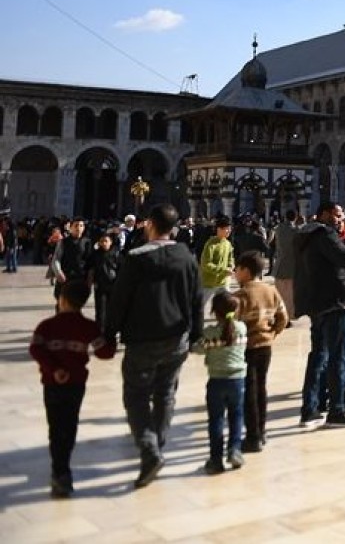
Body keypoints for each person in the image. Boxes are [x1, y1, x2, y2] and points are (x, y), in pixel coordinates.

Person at [103, 203, 202, 488]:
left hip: (143, 338)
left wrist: (109, 333)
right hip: (177, 339)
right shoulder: (186, 256)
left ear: (149, 225)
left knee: (135, 395)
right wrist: (195, 334)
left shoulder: (136, 259)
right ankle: (156, 447)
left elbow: (119, 300)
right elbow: (196, 300)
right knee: (166, 393)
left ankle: (150, 451)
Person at [28, 278, 116, 498]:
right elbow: (105, 353)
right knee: (69, 424)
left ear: (62, 300)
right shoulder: (88, 327)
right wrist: (110, 335)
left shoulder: (46, 326)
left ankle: (60, 471)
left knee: (55, 426)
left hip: (52, 385)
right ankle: (63, 468)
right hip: (76, 385)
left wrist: (53, 368)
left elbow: (35, 349)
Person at [295, 202, 345, 428]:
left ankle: (312, 406)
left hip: (319, 303)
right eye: (337, 215)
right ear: (325, 214)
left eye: (342, 215)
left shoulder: (307, 235)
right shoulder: (324, 235)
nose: (341, 219)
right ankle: (336, 409)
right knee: (339, 356)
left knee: (319, 354)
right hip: (335, 303)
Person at [231, 251, 287, 452]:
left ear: (245, 271)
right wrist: (272, 334)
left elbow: (232, 324)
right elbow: (283, 317)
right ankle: (261, 431)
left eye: (237, 269)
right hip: (265, 346)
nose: (235, 273)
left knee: (249, 391)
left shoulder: (241, 295)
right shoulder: (270, 290)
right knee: (261, 388)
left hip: (247, 348)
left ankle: (253, 436)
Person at [199, 289, 248, 474]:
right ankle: (235, 450)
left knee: (216, 419)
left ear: (214, 311)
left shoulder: (210, 333)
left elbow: (198, 348)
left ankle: (216, 459)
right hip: (237, 380)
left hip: (216, 380)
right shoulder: (241, 328)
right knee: (236, 416)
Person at [84, 230, 121, 332]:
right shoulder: (95, 254)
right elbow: (90, 270)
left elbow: (121, 270)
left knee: (112, 310)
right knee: (100, 310)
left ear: (111, 242)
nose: (104, 243)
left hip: (113, 286)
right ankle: (99, 331)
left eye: (106, 241)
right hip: (100, 286)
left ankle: (111, 330)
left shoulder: (117, 253)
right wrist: (89, 284)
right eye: (102, 241)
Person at [270, 209, 301, 319]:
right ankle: (289, 315)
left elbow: (271, 242)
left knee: (279, 293)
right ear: (295, 218)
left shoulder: (278, 229)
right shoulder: (297, 230)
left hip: (280, 264)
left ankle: (279, 314)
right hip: (293, 266)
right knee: (290, 295)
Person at [199, 216, 234, 307]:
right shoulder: (211, 244)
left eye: (230, 229)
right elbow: (206, 264)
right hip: (209, 282)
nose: (229, 231)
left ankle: (227, 321)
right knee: (200, 306)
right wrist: (223, 270)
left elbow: (231, 259)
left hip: (223, 281)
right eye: (227, 229)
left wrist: (231, 266)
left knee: (228, 305)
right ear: (219, 229)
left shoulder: (228, 244)